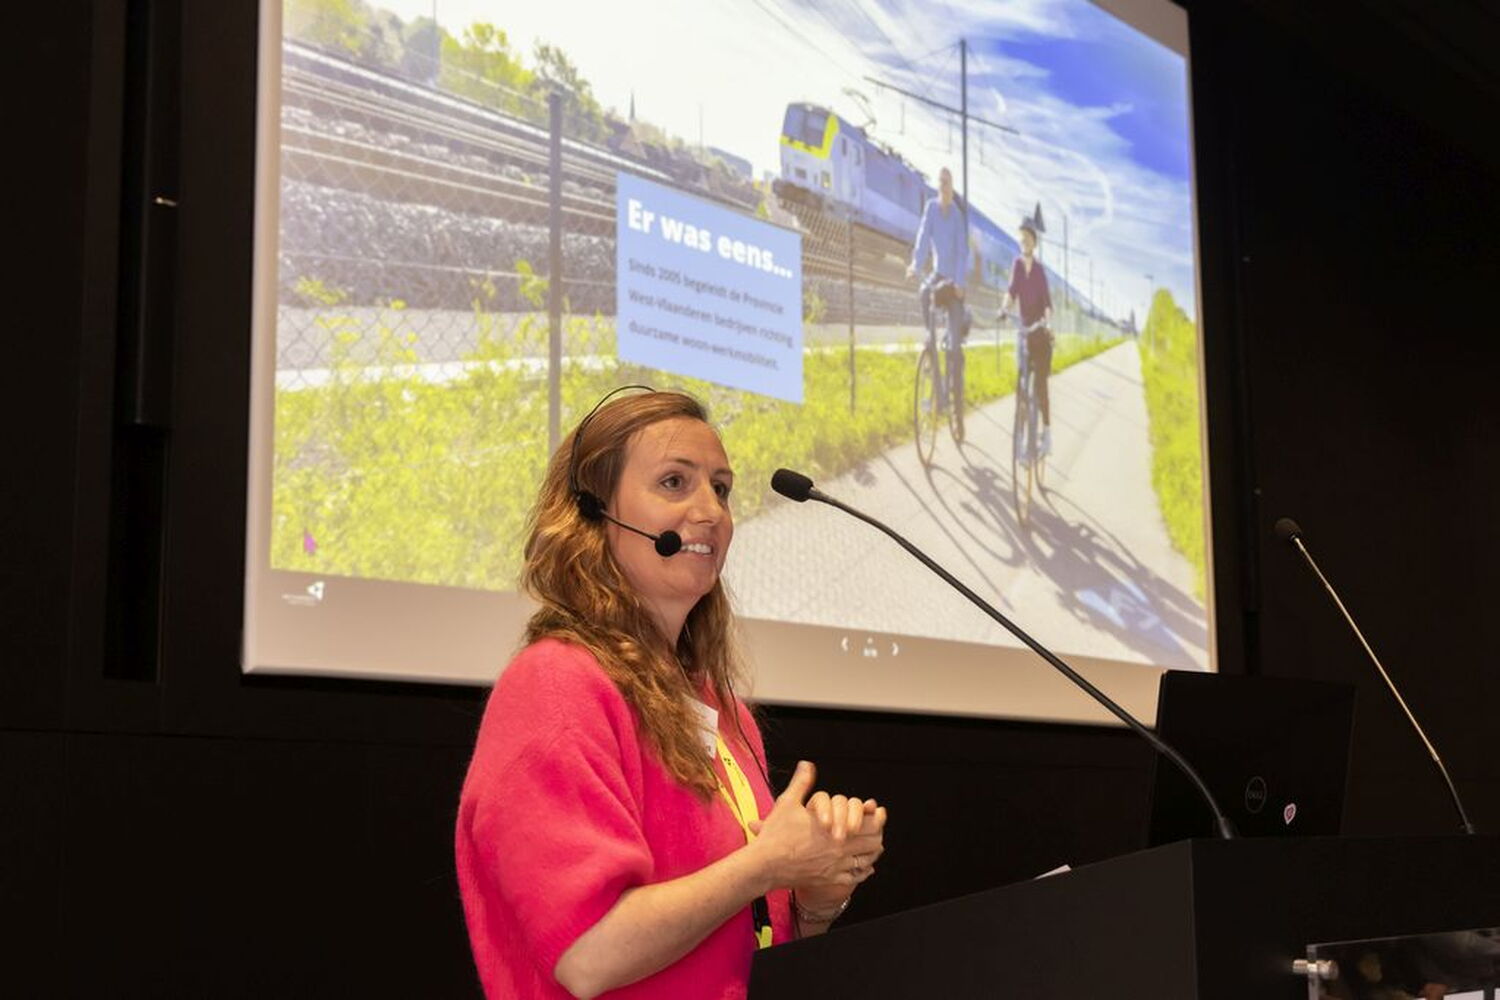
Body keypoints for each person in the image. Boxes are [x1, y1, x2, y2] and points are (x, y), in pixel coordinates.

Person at [455, 388, 887, 1000]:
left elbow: (745, 947)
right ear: (593, 514)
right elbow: (588, 955)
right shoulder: (555, 685)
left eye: (721, 487)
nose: (710, 509)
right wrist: (765, 864)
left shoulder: (724, 711)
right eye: (674, 483)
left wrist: (814, 894)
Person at [908, 167, 970, 409]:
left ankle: (955, 394)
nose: (944, 186)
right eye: (941, 182)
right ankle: (930, 338)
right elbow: (923, 236)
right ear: (938, 185)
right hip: (937, 275)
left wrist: (960, 283)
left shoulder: (957, 215)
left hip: (954, 282)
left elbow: (962, 252)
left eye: (948, 182)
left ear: (952, 188)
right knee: (924, 291)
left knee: (953, 348)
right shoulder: (931, 208)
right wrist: (915, 264)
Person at [1002, 215, 1054, 457]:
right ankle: (1020, 439)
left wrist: (1048, 323)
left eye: (1028, 237)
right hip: (1023, 333)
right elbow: (1011, 292)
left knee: (1041, 385)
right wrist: (1004, 308)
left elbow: (1047, 304)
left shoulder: (1041, 271)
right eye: (1021, 236)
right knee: (1021, 386)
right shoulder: (1016, 265)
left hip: (1039, 335)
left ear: (1034, 242)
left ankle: (1047, 432)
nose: (1024, 240)